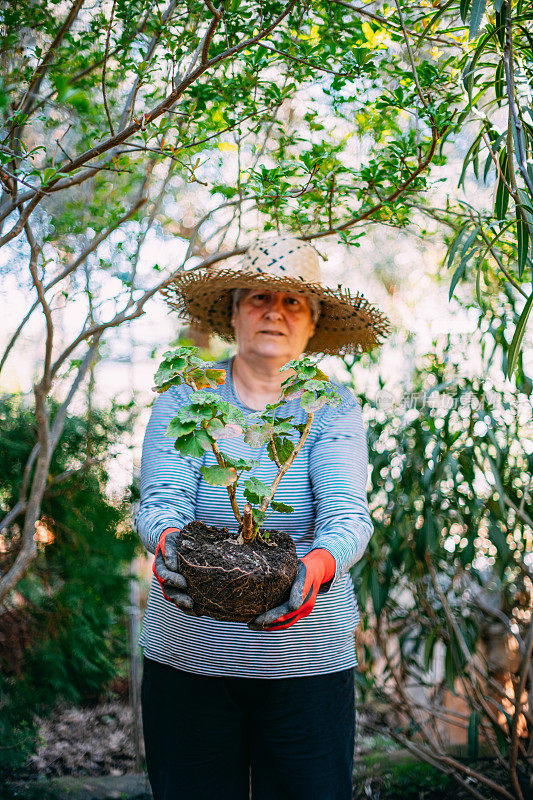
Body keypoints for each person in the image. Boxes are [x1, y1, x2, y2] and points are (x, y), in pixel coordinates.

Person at [135, 236, 389, 800]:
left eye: (293, 302)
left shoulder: (334, 406)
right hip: (189, 659)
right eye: (257, 298)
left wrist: (313, 571)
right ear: (233, 314)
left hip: (308, 666)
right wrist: (172, 549)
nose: (274, 311)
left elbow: (348, 519)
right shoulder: (185, 398)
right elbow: (160, 507)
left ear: (312, 323)